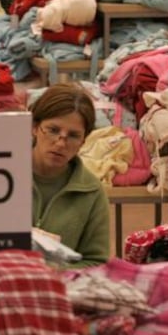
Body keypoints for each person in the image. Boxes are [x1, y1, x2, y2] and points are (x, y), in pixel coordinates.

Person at [30, 84, 110, 267]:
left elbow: (97, 261)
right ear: (34, 127)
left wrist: (54, 271)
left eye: (73, 136)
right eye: (53, 130)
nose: (60, 144)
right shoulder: (2, 175)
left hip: (61, 289)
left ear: (83, 141)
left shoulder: (92, 193)